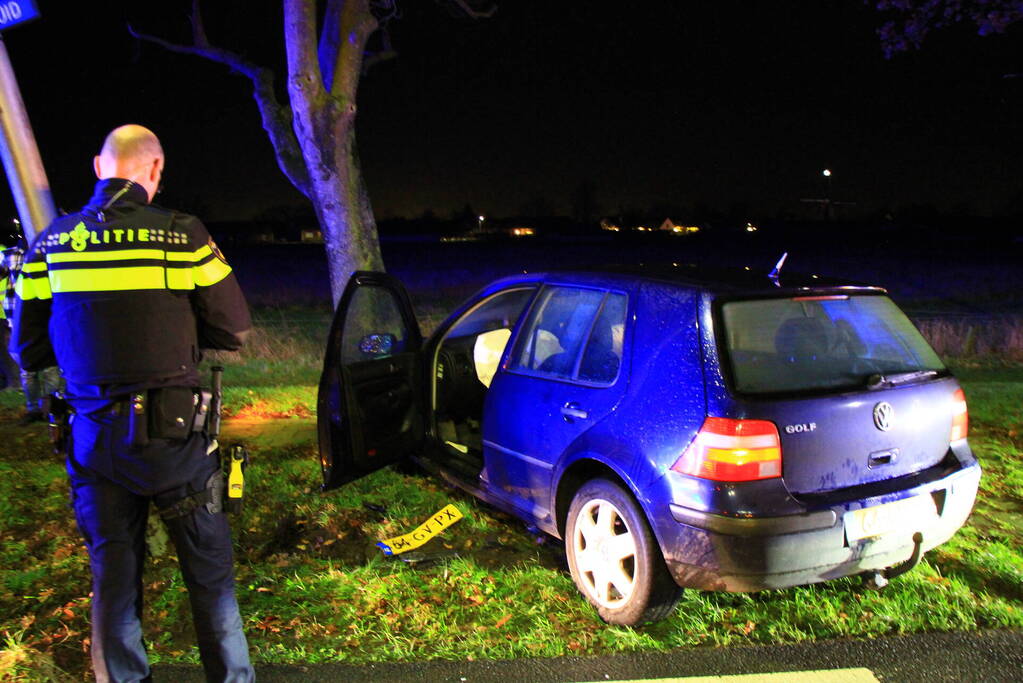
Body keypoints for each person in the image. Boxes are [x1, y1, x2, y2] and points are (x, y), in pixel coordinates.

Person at [9, 124, 255, 682]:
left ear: (99, 167)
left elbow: (27, 350)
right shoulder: (182, 235)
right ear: (156, 169)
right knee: (210, 582)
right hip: (179, 444)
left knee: (114, 584)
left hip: (95, 440)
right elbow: (235, 329)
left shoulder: (49, 242)